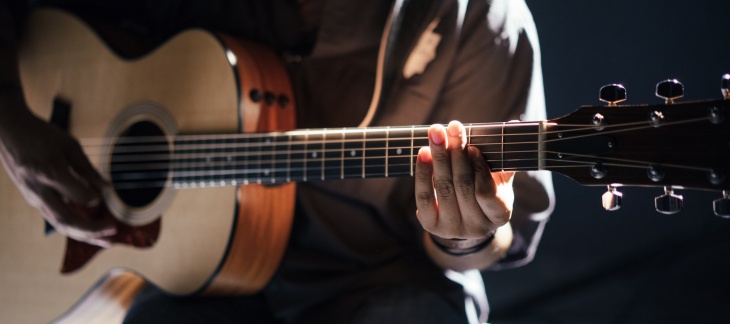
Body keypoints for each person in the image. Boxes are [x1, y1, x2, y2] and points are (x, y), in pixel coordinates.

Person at [0, 0, 554, 322]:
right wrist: (11, 123)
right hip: (200, 280)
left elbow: (499, 239)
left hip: (376, 278)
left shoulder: (481, 18)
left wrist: (467, 233)